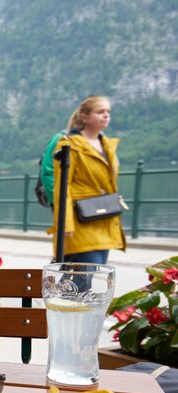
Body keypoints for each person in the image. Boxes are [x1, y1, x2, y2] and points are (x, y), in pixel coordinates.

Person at [50, 95, 125, 265]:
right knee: (84, 278)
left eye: (108, 111)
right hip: (80, 221)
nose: (106, 115)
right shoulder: (70, 145)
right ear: (84, 117)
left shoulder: (107, 145)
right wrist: (66, 224)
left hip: (104, 217)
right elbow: (62, 187)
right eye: (100, 112)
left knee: (90, 276)